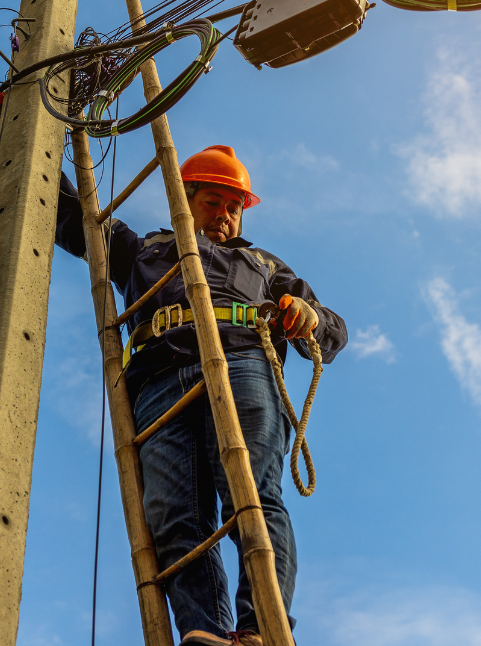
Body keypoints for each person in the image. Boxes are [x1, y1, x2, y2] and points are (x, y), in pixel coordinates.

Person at [54, 144, 347, 646]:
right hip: (157, 378)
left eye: (234, 208)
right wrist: (30, 140)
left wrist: (308, 315)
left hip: (241, 363)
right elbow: (73, 214)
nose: (225, 217)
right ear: (184, 199)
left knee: (250, 495)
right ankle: (207, 632)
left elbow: (332, 329)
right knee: (171, 514)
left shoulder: (263, 264)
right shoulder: (142, 249)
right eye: (214, 203)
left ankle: (259, 630)